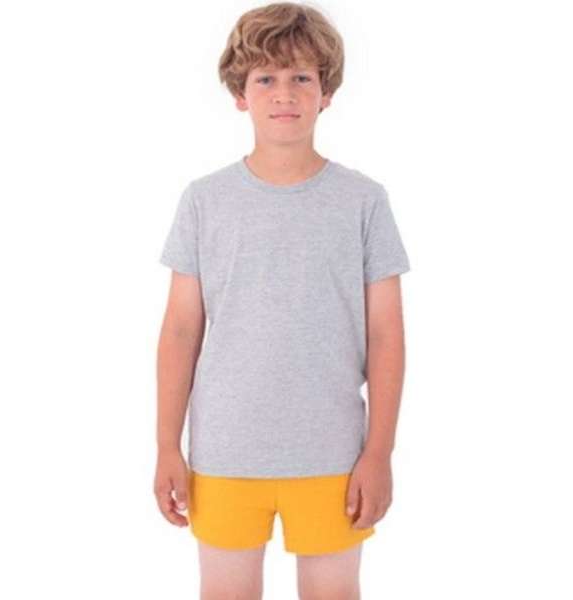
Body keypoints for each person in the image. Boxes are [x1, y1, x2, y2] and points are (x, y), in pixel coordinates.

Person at [154, 2, 411, 598]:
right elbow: (180, 331)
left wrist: (379, 452)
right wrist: (167, 445)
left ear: (327, 92)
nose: (284, 93)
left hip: (333, 454)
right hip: (224, 451)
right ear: (239, 94)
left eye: (301, 77)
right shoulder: (204, 200)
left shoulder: (364, 202)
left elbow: (387, 336)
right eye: (265, 77)